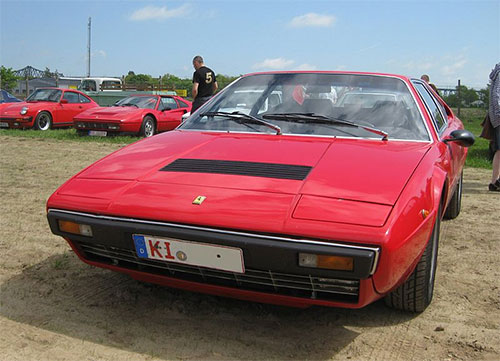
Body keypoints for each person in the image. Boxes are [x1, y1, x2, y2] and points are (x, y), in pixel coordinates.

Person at [487, 63, 500, 191]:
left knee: (499, 150)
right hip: (499, 116)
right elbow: (496, 96)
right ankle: (496, 181)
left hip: (496, 117)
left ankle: (495, 181)